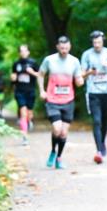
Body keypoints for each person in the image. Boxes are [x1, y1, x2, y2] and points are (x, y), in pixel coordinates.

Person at [37, 36, 84, 170]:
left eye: (66, 48)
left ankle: (59, 157)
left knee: (63, 133)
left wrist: (80, 81)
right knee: (56, 128)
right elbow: (40, 75)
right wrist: (42, 90)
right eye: (62, 48)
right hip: (52, 100)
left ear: (70, 47)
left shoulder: (74, 61)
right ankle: (53, 151)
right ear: (57, 47)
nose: (64, 50)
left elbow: (78, 80)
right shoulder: (49, 60)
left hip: (68, 100)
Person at [81, 31, 107, 164]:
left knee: (105, 122)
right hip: (93, 93)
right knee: (97, 121)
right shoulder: (87, 55)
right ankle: (99, 151)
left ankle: (102, 142)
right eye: (94, 43)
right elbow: (80, 76)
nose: (97, 45)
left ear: (103, 41)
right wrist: (89, 72)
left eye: (99, 42)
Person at [11, 44, 39, 145]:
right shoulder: (16, 64)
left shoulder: (33, 63)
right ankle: (25, 137)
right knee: (23, 113)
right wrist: (13, 79)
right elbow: (13, 77)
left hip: (30, 91)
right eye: (21, 51)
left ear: (28, 52)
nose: (23, 53)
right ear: (19, 53)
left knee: (29, 114)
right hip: (20, 91)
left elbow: (40, 75)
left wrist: (32, 72)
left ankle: (29, 121)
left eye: (25, 51)